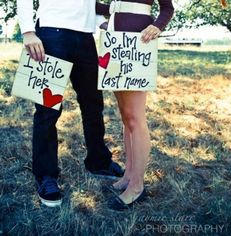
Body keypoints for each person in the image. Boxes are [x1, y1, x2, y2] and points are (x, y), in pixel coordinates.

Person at [16, 0, 124, 207]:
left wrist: (102, 22)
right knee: (47, 109)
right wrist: (28, 31)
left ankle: (98, 162)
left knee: (93, 104)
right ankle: (46, 176)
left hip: (85, 37)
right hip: (50, 33)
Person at [100, 0, 174, 210]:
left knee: (135, 117)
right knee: (125, 115)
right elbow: (109, 7)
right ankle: (129, 175)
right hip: (115, 42)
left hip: (138, 42)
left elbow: (167, 8)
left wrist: (157, 26)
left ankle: (137, 186)